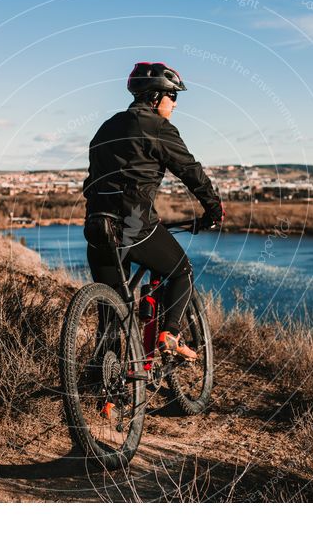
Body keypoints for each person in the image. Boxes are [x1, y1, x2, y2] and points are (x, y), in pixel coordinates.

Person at [82, 62, 224, 361]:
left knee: (110, 314)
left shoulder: (106, 127)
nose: (174, 104)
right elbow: (190, 171)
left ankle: (104, 394)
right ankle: (169, 333)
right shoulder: (157, 127)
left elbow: (90, 181)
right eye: (173, 96)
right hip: (134, 226)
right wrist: (213, 209)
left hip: (96, 226)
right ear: (155, 96)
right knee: (181, 270)